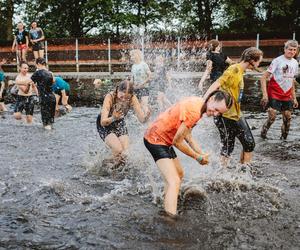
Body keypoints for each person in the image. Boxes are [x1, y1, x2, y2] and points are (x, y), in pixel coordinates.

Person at [144, 91, 232, 216]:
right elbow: (178, 142)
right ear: (211, 99)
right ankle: (169, 219)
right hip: (155, 139)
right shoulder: (194, 112)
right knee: (174, 180)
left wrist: (201, 152)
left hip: (164, 138)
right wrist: (198, 157)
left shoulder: (199, 103)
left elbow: (187, 135)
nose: (215, 114)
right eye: (216, 109)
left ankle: (167, 200)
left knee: (179, 174)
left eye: (219, 113)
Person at [203, 47, 263, 166]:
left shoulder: (240, 70)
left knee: (248, 144)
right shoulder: (234, 69)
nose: (259, 63)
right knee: (229, 146)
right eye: (258, 61)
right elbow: (217, 83)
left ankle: (243, 171)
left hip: (236, 114)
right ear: (252, 60)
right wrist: (204, 100)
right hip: (225, 115)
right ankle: (224, 173)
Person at [97, 80, 151, 162]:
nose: (123, 100)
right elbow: (103, 122)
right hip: (106, 124)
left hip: (119, 122)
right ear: (118, 90)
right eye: (121, 97)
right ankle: (104, 164)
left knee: (125, 153)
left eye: (127, 98)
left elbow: (141, 120)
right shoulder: (110, 97)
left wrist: (146, 116)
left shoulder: (133, 98)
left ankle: (113, 166)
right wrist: (113, 118)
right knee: (118, 149)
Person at [260, 40, 299, 140]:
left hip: (286, 94)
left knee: (287, 119)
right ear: (285, 49)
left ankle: (283, 140)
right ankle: (262, 136)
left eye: (295, 50)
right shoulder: (277, 61)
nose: (292, 52)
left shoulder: (295, 63)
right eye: (290, 49)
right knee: (272, 117)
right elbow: (263, 77)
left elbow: (292, 81)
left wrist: (294, 98)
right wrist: (265, 95)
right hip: (274, 92)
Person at [31, 57, 56, 130]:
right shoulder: (50, 73)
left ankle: (47, 138)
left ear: (38, 64)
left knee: (45, 122)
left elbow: (29, 82)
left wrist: (15, 82)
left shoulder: (38, 72)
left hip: (44, 98)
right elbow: (53, 81)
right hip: (52, 98)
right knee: (50, 121)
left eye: (36, 64)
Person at [130, 49, 151, 114]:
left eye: (132, 55)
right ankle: (144, 118)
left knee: (144, 105)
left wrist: (142, 84)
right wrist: (130, 85)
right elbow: (132, 78)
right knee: (137, 106)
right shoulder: (133, 66)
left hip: (144, 87)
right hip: (136, 88)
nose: (131, 57)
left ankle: (149, 121)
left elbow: (150, 76)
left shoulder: (143, 64)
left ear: (137, 55)